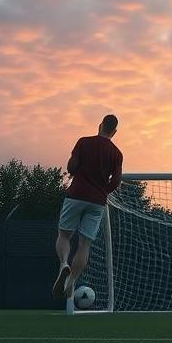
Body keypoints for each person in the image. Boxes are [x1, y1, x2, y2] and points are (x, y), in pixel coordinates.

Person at [52, 114, 124, 301]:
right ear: (114, 132)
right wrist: (103, 191)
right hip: (97, 201)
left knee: (64, 234)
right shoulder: (117, 154)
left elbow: (71, 167)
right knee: (85, 244)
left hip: (76, 195)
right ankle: (72, 280)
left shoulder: (83, 142)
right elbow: (116, 181)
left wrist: (77, 167)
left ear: (100, 125)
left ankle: (63, 264)